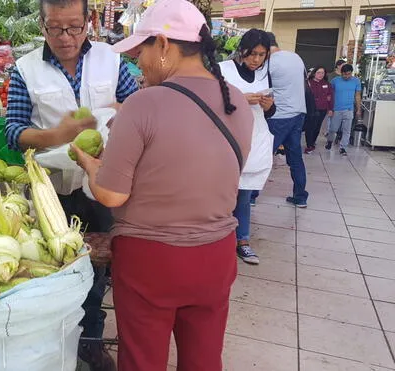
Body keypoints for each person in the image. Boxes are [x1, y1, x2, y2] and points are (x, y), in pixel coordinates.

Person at [70, 0, 254, 369]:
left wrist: (89, 164)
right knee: (203, 358)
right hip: (216, 253)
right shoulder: (237, 102)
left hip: (151, 261)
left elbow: (110, 194)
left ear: (166, 46)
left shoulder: (144, 103)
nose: (140, 61)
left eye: (143, 50)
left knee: (143, 360)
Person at [4, 0, 139, 369]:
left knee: (97, 269)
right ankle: (54, 338)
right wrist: (55, 135)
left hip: (102, 185)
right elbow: (13, 132)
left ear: (89, 22)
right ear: (42, 25)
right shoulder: (25, 69)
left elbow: (140, 107)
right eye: (55, 28)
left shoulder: (111, 61)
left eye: (74, 28)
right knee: (54, 266)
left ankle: (91, 340)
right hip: (53, 191)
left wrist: (119, 110)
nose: (65, 38)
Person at [219, 29, 274, 265]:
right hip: (227, 140)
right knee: (221, 193)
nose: (256, 60)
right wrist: (241, 99)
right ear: (242, 51)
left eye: (262, 55)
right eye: (252, 54)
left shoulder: (264, 76)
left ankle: (242, 241)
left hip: (254, 138)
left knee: (245, 191)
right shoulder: (223, 70)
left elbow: (270, 113)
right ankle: (218, 240)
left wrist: (268, 105)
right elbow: (214, 104)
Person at [251, 32, 309, 208]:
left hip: (278, 117)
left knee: (264, 155)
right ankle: (300, 197)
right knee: (295, 157)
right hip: (299, 113)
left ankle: (251, 195)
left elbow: (260, 89)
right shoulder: (296, 57)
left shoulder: (269, 63)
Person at [326, 64, 362, 156]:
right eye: (344, 74)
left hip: (349, 109)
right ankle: (329, 141)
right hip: (336, 109)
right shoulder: (335, 81)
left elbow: (357, 95)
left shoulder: (356, 81)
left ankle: (343, 147)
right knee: (333, 129)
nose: (346, 76)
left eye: (349, 74)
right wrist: (329, 108)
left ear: (351, 73)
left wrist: (358, 109)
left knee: (347, 130)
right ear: (341, 73)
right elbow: (330, 94)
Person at [304, 66, 333, 154]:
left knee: (317, 127)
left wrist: (330, 109)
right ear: (314, 73)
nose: (320, 75)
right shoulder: (308, 83)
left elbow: (330, 97)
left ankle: (312, 143)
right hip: (310, 109)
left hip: (322, 109)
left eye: (322, 73)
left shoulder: (326, 84)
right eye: (318, 73)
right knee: (310, 127)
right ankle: (309, 145)